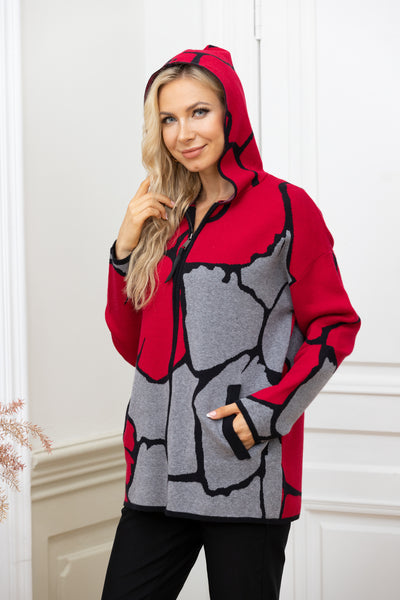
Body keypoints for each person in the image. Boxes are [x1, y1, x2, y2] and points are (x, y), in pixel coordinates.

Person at [102, 45, 360, 600]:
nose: (183, 133)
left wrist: (265, 414)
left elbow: (335, 326)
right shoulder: (163, 216)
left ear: (229, 113)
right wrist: (123, 251)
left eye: (198, 112)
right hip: (155, 468)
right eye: (168, 119)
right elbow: (133, 344)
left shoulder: (287, 208)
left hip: (243, 470)